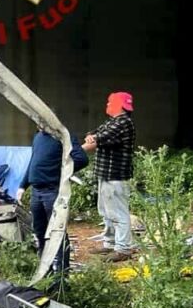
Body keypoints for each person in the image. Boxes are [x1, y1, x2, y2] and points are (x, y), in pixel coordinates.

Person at [16, 128, 89, 275]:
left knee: (57, 232)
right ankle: (45, 271)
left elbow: (82, 159)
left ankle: (62, 274)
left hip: (53, 191)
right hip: (36, 192)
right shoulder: (38, 137)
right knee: (40, 231)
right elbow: (33, 162)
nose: (39, 124)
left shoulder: (63, 137)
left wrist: (62, 172)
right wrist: (22, 186)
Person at [83, 92, 136, 262]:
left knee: (118, 213)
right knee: (106, 211)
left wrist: (75, 151)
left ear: (119, 105)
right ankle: (110, 243)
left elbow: (100, 137)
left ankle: (123, 248)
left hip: (115, 176)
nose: (107, 105)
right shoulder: (112, 121)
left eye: (109, 102)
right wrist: (92, 137)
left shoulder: (123, 123)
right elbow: (94, 132)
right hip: (106, 174)